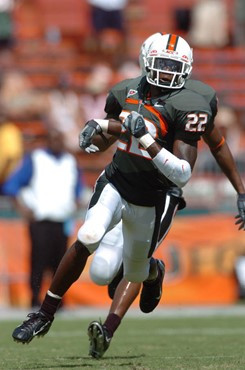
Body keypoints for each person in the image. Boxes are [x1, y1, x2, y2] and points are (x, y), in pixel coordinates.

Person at [11, 33, 245, 358]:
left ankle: (150, 275)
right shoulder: (125, 91)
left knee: (130, 271)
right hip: (118, 182)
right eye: (161, 65)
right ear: (146, 61)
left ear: (187, 68)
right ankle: (43, 314)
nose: (165, 73)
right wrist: (96, 133)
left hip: (153, 196)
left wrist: (240, 190)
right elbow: (112, 134)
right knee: (90, 237)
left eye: (172, 66)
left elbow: (183, 172)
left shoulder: (191, 103)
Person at [3, 128, 83, 307]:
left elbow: (78, 189)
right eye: (53, 139)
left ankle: (57, 301)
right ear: (47, 140)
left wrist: (74, 205)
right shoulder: (35, 159)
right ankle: (35, 298)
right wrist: (23, 210)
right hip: (40, 221)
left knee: (61, 263)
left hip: (62, 221)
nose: (57, 143)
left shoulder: (70, 161)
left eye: (59, 139)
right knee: (39, 261)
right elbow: (12, 186)